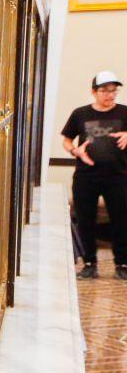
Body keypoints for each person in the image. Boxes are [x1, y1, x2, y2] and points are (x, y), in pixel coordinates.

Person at [62, 70, 127, 280]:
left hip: (118, 175)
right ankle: (89, 264)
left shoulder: (124, 112)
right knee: (85, 220)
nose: (110, 95)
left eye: (113, 91)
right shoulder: (80, 114)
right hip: (86, 176)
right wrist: (75, 150)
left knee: (121, 220)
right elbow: (67, 140)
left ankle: (122, 264)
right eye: (105, 91)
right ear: (93, 92)